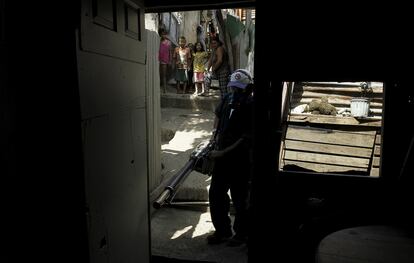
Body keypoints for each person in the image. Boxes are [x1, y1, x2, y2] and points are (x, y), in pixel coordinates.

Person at [206, 69, 254, 246]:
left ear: (248, 87)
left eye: (240, 89)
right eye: (234, 88)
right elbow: (218, 115)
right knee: (216, 193)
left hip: (240, 159)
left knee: (240, 198)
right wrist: (213, 137)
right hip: (222, 158)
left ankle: (241, 234)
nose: (237, 92)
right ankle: (222, 231)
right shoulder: (227, 98)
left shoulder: (251, 104)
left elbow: (246, 137)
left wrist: (223, 152)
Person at [158, 29, 172, 93]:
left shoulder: (168, 42)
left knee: (164, 75)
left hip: (165, 60)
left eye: (165, 34)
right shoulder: (158, 41)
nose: (164, 35)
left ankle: (164, 89)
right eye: (162, 34)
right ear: (160, 34)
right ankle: (158, 87)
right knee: (158, 74)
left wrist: (170, 61)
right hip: (157, 59)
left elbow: (170, 52)